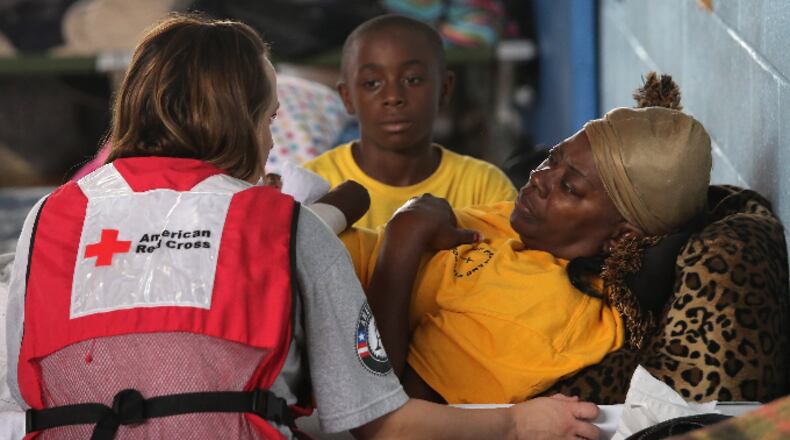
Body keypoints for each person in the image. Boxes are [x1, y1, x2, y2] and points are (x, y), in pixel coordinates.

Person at [2, 14, 600, 439]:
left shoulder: (50, 217)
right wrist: (519, 424)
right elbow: (379, 422)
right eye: (269, 119)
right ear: (244, 122)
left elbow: (17, 399)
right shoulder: (285, 227)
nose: (269, 143)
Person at [340, 73, 713, 405]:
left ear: (620, 237)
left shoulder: (547, 312)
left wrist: (402, 241)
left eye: (569, 186)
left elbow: (387, 411)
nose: (540, 176)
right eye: (553, 157)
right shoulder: (528, 227)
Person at [304, 14, 516, 229]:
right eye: (372, 83)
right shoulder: (315, 188)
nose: (393, 96)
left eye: (412, 80)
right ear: (347, 97)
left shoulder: (485, 188)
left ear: (444, 89)